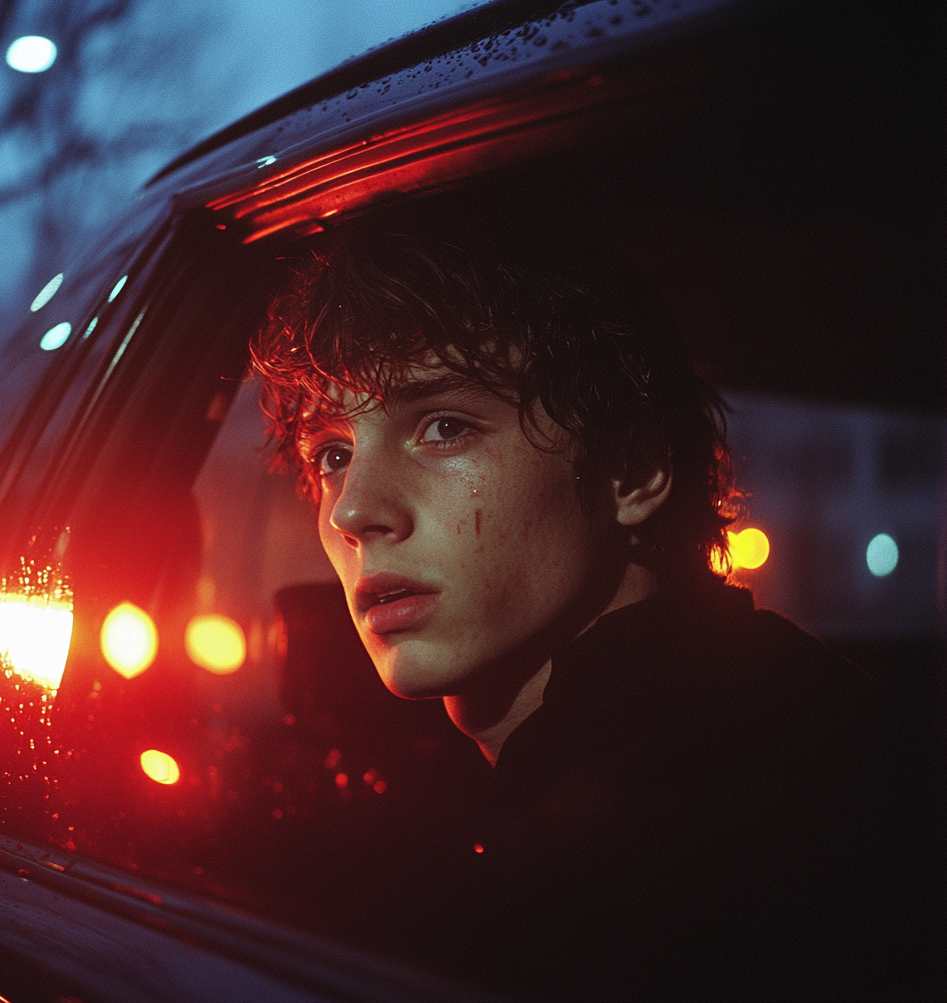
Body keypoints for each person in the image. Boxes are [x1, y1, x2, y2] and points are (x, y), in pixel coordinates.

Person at [251, 204, 935, 1000]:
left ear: (634, 472)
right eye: (333, 453)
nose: (352, 510)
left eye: (443, 426)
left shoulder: (732, 832)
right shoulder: (717, 750)